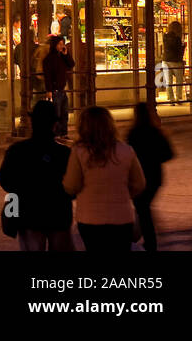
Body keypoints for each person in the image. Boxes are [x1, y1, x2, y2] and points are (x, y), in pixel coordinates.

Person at [63, 106, 146, 251]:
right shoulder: (126, 150)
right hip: (122, 216)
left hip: (89, 217)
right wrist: (122, 194)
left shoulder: (79, 152)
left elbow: (72, 185)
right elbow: (139, 184)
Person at [0, 100, 74, 251]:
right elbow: (74, 185)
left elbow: (4, 178)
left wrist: (22, 190)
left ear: (32, 122)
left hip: (28, 215)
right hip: (58, 214)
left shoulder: (17, 151)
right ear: (54, 124)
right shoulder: (64, 153)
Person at [126, 104, 173, 252]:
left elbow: (128, 156)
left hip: (139, 176)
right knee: (144, 208)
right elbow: (169, 154)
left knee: (143, 209)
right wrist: (155, 157)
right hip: (155, 176)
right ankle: (145, 238)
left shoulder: (133, 133)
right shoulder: (156, 132)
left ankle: (146, 240)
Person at [42, 34, 75, 138]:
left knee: (64, 113)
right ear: (54, 45)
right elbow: (48, 75)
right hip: (55, 90)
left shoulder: (61, 57)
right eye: (60, 44)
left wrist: (66, 54)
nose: (62, 46)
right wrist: (49, 90)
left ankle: (63, 133)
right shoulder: (49, 59)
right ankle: (56, 134)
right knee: (57, 114)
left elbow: (71, 64)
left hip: (62, 89)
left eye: (63, 44)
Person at [162, 22, 185, 103]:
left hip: (165, 60)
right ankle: (178, 97)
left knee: (169, 81)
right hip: (176, 61)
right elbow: (179, 51)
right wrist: (183, 46)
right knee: (179, 80)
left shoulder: (165, 36)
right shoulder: (177, 38)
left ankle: (171, 99)